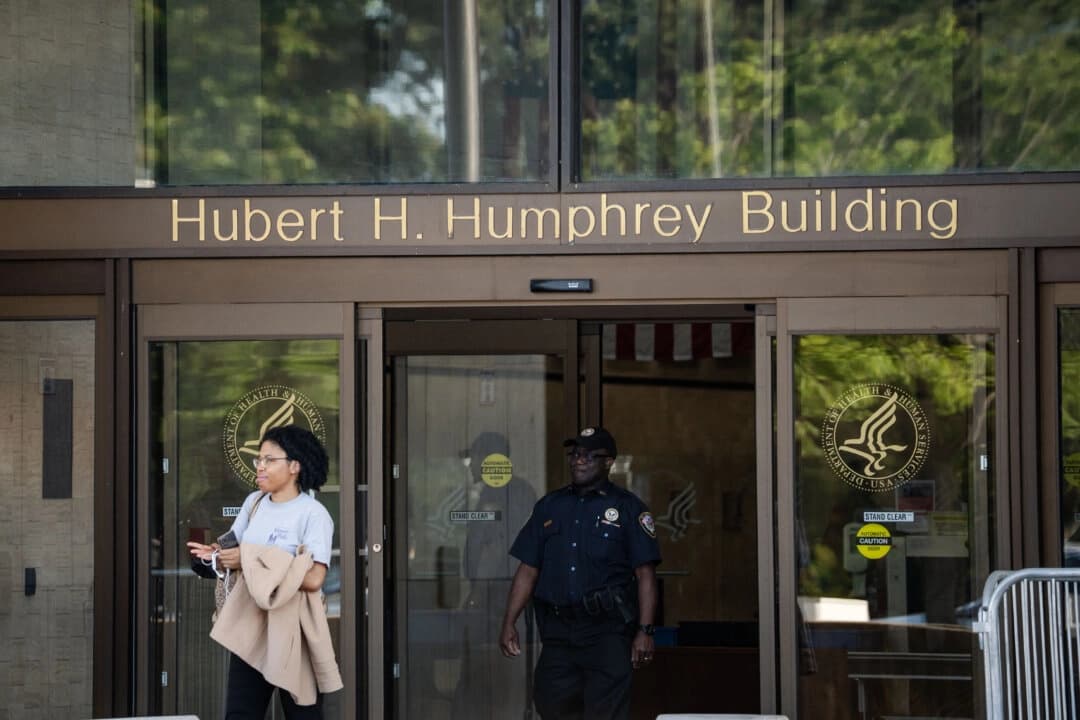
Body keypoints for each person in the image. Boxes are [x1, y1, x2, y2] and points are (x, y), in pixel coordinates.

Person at [499, 427, 661, 720]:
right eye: (574, 454)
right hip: (559, 633)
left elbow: (645, 574)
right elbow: (528, 569)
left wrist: (645, 631)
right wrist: (509, 620)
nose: (578, 460)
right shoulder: (550, 506)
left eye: (588, 455)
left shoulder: (627, 508)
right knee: (551, 705)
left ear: (609, 461)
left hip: (607, 632)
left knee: (605, 712)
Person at [187, 425, 341, 719]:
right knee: (240, 714)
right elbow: (234, 547)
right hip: (251, 623)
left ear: (294, 466)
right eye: (259, 459)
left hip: (293, 629)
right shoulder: (253, 503)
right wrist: (214, 556)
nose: (260, 466)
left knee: (303, 715)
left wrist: (249, 559)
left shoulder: (313, 514)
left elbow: (314, 578)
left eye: (270, 460)